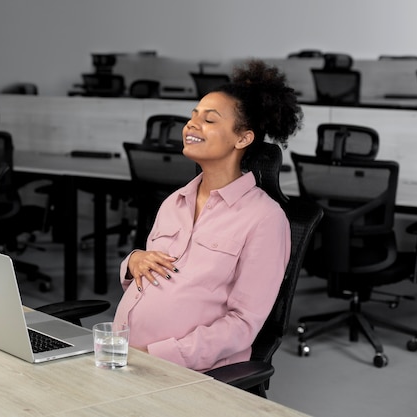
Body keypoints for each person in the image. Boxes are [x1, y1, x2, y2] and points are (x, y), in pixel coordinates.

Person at [113, 59, 303, 372]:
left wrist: (158, 355)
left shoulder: (265, 219)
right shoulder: (175, 201)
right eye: (193, 116)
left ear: (242, 138)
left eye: (209, 120)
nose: (191, 125)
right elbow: (152, 281)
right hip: (125, 358)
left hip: (186, 370)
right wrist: (133, 262)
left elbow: (243, 325)